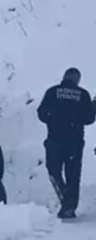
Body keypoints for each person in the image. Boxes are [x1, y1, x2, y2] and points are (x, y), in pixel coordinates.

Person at [37, 67, 96, 219]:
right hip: (74, 142)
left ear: (64, 77)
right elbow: (89, 118)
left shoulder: (52, 91)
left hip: (54, 139)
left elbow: (41, 113)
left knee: (53, 171)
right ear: (77, 80)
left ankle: (65, 199)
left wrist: (53, 119)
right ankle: (69, 206)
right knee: (73, 175)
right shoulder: (83, 95)